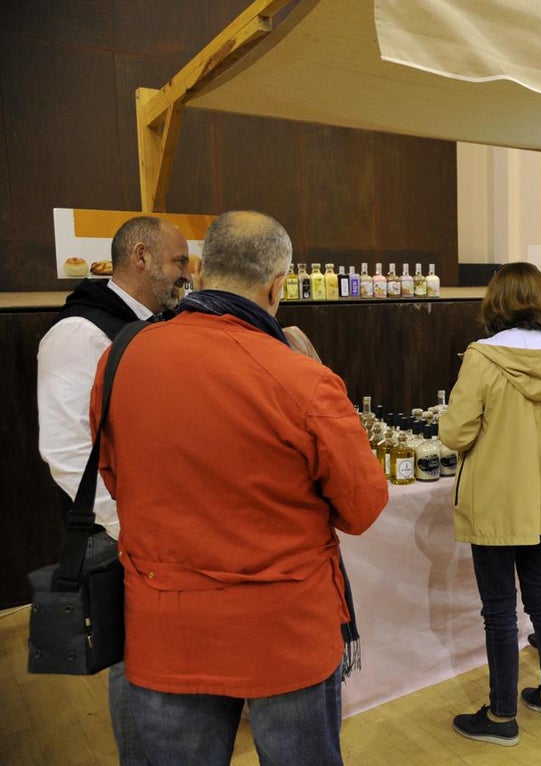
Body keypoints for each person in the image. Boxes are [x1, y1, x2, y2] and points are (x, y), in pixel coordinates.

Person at [91, 211, 388, 765]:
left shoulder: (121, 358)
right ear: (277, 285)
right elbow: (363, 506)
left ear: (200, 272)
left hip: (165, 622)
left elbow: (114, 476)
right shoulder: (302, 378)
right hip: (285, 629)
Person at [37, 214, 190, 764]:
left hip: (156, 529)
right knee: (135, 662)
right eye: (178, 262)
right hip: (121, 532)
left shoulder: (154, 322)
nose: (186, 275)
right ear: (142, 257)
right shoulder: (79, 333)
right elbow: (67, 450)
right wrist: (129, 527)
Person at [439, 262, 541, 747]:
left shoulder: (482, 358)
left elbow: (454, 431)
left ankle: (501, 717)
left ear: (496, 303)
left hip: (498, 502)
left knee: (499, 609)